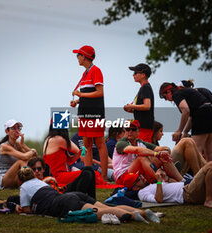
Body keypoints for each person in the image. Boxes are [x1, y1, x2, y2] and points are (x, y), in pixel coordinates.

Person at [16, 166, 160, 224]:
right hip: (74, 195)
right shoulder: (39, 182)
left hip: (63, 202)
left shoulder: (23, 187)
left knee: (101, 212)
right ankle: (144, 212)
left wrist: (21, 208)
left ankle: (136, 216)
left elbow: (27, 209)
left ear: (21, 180)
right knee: (103, 206)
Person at [70, 45, 108, 181]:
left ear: (85, 56)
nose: (77, 58)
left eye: (78, 55)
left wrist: (80, 94)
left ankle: (103, 176)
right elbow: (88, 94)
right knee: (86, 144)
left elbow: (100, 92)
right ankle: (89, 176)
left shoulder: (96, 70)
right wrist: (78, 101)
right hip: (84, 112)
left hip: (94, 113)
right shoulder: (85, 73)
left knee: (99, 143)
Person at [137, 160, 212, 209]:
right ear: (134, 186)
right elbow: (158, 200)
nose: (142, 177)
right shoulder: (142, 193)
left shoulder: (151, 185)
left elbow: (175, 186)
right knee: (211, 165)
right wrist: (158, 181)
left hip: (186, 187)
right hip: (187, 194)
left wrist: (166, 179)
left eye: (140, 176)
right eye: (138, 179)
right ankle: (208, 200)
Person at [159, 82, 212, 161]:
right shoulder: (185, 92)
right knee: (210, 152)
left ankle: (201, 173)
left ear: (169, 92)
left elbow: (186, 110)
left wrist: (179, 131)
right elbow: (191, 117)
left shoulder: (176, 95)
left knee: (196, 150)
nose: (166, 100)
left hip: (202, 114)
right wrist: (185, 132)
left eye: (165, 97)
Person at [112, 120, 183, 185]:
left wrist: (165, 153)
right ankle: (163, 178)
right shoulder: (121, 143)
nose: (130, 131)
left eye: (133, 129)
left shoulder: (140, 142)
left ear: (138, 131)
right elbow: (137, 150)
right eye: (127, 129)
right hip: (123, 178)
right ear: (124, 131)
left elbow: (163, 149)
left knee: (162, 157)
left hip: (139, 175)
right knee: (142, 157)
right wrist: (156, 154)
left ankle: (182, 181)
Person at [179, 79, 212, 160]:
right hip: (211, 122)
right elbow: (192, 118)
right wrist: (185, 132)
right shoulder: (192, 97)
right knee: (208, 152)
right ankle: (211, 171)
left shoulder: (202, 92)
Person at [0, 119, 37, 189]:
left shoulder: (18, 144)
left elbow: (34, 157)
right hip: (2, 179)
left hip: (13, 177)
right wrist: (33, 150)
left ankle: (35, 183)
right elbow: (25, 156)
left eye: (18, 128)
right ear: (7, 132)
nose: (17, 131)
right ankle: (34, 184)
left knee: (29, 161)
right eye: (13, 128)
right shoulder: (4, 146)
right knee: (20, 162)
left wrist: (23, 145)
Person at [28, 157, 96, 198]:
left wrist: (65, 187)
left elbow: (58, 190)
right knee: (86, 174)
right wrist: (45, 181)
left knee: (88, 169)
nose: (36, 171)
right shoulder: (31, 182)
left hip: (62, 194)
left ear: (43, 170)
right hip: (59, 199)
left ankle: (92, 199)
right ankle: (83, 201)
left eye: (39, 169)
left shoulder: (48, 178)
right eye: (34, 169)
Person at [123, 63, 154, 143]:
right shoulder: (143, 87)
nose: (133, 75)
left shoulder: (145, 87)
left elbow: (147, 106)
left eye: (135, 73)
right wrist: (131, 109)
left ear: (143, 75)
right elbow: (142, 108)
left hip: (145, 127)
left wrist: (132, 106)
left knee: (143, 152)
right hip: (142, 127)